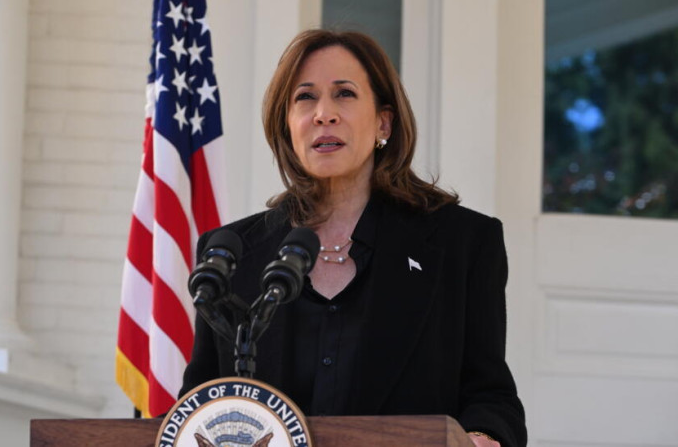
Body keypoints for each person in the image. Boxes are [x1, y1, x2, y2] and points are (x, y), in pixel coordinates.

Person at [180, 29, 526, 447]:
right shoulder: (231, 252)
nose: (323, 113)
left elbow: (491, 396)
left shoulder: (464, 243)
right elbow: (199, 405)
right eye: (304, 98)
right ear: (288, 125)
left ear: (383, 121)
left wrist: (483, 436)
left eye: (344, 93)